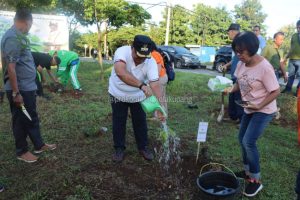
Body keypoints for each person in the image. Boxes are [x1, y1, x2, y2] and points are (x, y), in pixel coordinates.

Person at [225, 31, 280, 197]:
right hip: (249, 107)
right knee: (241, 140)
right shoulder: (242, 62)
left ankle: (256, 181)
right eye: (236, 51)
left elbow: (276, 91)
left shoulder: (264, 67)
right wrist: (231, 89)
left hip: (263, 110)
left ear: (252, 49)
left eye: (241, 51)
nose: (238, 55)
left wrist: (259, 105)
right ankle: (248, 172)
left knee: (249, 142)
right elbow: (239, 82)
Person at [1, 8, 56, 163]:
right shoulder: (12, 38)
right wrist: (15, 93)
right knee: (20, 119)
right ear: (25, 22)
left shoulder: (20, 36)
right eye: (30, 25)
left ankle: (39, 144)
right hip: (20, 89)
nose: (29, 28)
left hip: (28, 86)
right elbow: (10, 67)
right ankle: (22, 151)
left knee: (31, 116)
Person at [108, 35, 165, 163]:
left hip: (137, 96)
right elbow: (120, 72)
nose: (140, 60)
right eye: (138, 55)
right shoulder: (122, 52)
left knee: (140, 121)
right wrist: (141, 85)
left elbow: (155, 84)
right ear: (132, 48)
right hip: (118, 93)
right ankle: (119, 148)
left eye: (144, 57)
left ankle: (143, 147)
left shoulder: (150, 61)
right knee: (119, 120)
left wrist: (160, 107)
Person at [222, 23, 244, 122]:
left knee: (239, 97)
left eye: (228, 32)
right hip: (234, 75)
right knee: (232, 97)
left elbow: (244, 58)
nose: (228, 34)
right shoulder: (236, 42)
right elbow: (235, 58)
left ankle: (241, 118)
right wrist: (227, 65)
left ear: (233, 31)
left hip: (241, 76)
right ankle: (233, 117)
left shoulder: (241, 42)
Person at [281, 20, 300, 95]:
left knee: (299, 77)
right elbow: (291, 47)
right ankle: (288, 89)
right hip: (292, 59)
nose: (298, 29)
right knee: (291, 75)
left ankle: (297, 92)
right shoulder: (294, 35)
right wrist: (286, 57)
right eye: (297, 27)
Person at [151, 41, 168, 115]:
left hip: (160, 78)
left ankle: (159, 116)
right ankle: (164, 114)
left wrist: (155, 79)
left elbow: (158, 66)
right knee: (162, 98)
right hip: (163, 77)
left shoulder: (154, 54)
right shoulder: (156, 53)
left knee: (158, 98)